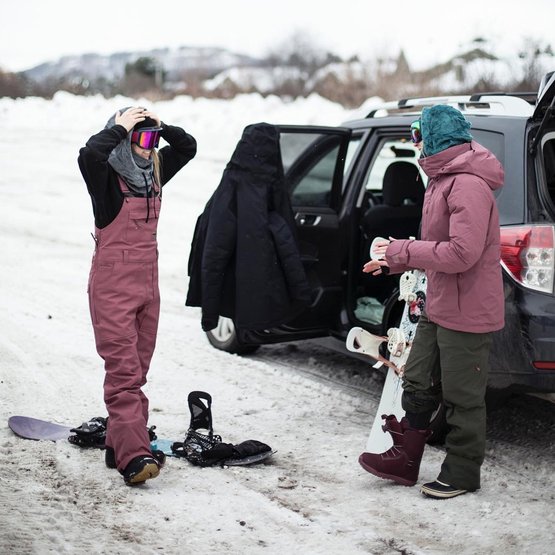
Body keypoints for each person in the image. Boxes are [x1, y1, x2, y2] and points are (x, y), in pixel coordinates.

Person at [358, 105, 505, 499]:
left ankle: (461, 473)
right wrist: (392, 260)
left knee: (462, 396)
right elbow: (437, 249)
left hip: (469, 311)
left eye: (418, 132)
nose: (414, 140)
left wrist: (402, 250)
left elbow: (461, 253)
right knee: (418, 380)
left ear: (438, 136)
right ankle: (405, 461)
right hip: (440, 303)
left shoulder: (467, 185)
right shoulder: (441, 180)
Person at [78, 106, 197, 485]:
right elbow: (89, 154)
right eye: (141, 140)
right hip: (112, 290)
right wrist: (118, 127)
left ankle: (118, 444)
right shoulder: (107, 180)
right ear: (125, 141)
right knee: (124, 375)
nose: (149, 148)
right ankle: (135, 456)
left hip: (147, 288)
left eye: (153, 141)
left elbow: (188, 147)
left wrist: (161, 127)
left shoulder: (153, 176)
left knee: (138, 371)